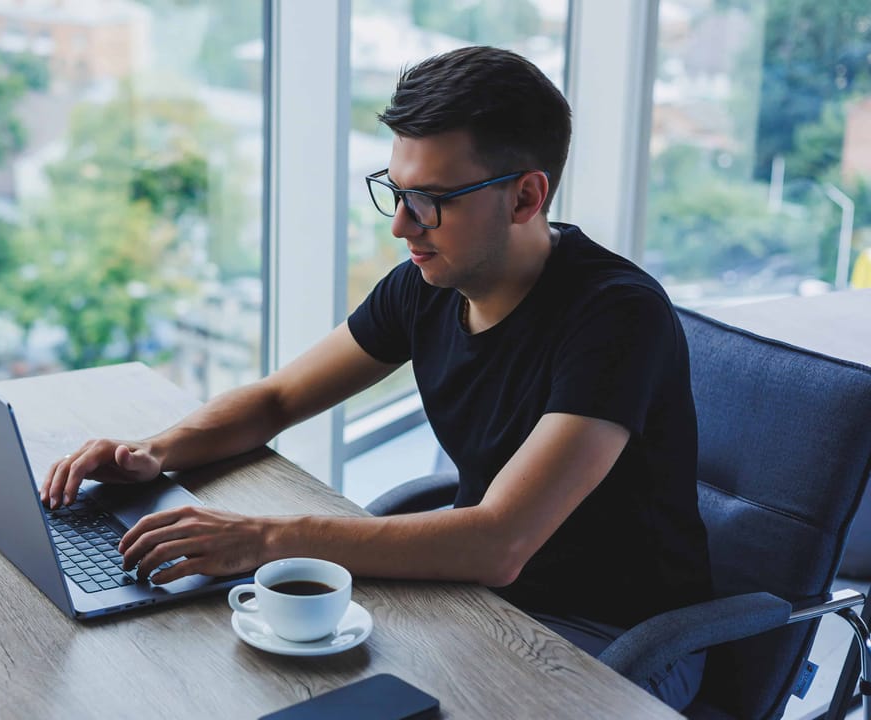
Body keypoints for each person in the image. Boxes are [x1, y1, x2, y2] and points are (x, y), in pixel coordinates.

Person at [39, 46, 712, 710]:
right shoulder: (427, 284)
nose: (400, 225)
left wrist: (261, 538)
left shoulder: (617, 318)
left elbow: (499, 542)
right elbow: (277, 399)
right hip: (478, 600)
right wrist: (154, 451)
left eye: (430, 200)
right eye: (396, 191)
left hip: (614, 643)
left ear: (525, 197)